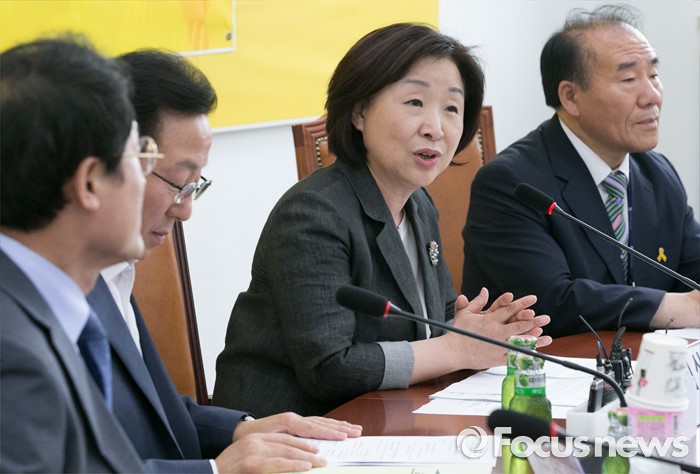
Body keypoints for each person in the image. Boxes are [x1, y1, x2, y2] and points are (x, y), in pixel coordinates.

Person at [212, 23, 552, 418]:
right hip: (286, 430)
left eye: (451, 108)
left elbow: (432, 327)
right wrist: (456, 347)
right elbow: (329, 367)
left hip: (386, 416)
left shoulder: (419, 204)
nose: (435, 128)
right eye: (414, 102)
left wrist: (470, 329)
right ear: (359, 112)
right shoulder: (312, 213)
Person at [86, 49, 362, 474]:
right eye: (178, 183)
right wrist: (215, 471)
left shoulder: (114, 271)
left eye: (195, 185)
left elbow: (150, 411)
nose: (185, 210)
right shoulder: (49, 290)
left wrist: (242, 428)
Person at [462, 4, 700, 338]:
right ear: (570, 97)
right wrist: (680, 307)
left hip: (635, 362)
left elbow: (693, 272)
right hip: (542, 364)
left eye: (654, 75)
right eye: (629, 79)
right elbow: (552, 302)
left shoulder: (658, 174)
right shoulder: (511, 183)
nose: (652, 96)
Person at [0, 35, 146, 472]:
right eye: (139, 156)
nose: (145, 179)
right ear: (89, 183)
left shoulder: (33, 308)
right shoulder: (13, 359)